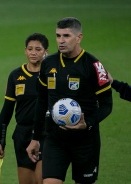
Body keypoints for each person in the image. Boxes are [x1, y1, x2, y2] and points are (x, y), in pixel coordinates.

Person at [26, 17, 113, 184]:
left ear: (79, 37)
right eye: (58, 36)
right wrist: (35, 138)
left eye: (66, 36)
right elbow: (42, 101)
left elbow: (107, 105)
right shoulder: (48, 64)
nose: (61, 41)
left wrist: (87, 122)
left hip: (85, 140)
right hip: (55, 139)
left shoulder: (93, 65)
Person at [0, 33, 49, 184]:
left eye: (38, 49)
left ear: (46, 52)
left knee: (42, 180)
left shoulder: (51, 75)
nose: (33, 52)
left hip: (46, 134)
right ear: (25, 50)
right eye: (30, 49)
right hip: (22, 135)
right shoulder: (16, 76)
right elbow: (7, 109)